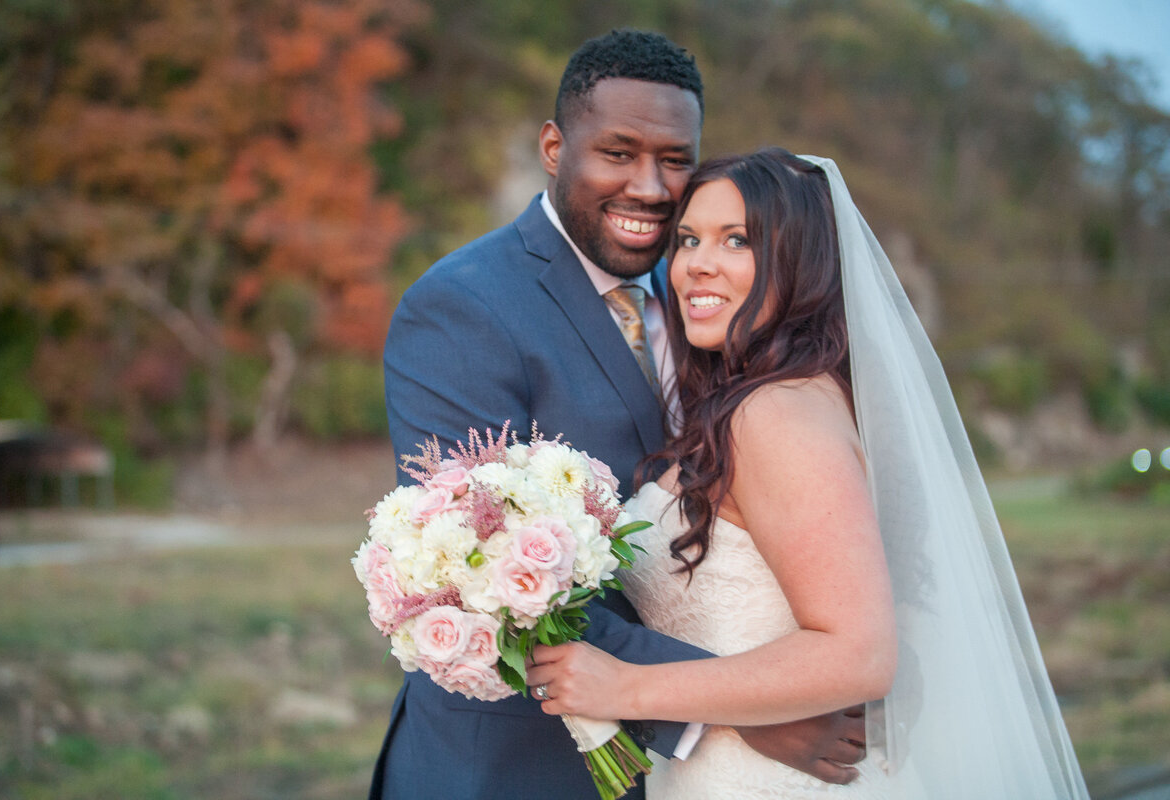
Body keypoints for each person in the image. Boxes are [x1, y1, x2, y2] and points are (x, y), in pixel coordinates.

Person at [373, 31, 867, 800]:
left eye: (675, 159)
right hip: (518, 769)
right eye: (619, 152)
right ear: (552, 145)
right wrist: (735, 709)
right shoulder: (461, 309)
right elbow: (489, 575)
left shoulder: (708, 289)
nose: (652, 187)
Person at [525, 149, 1090, 798]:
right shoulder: (768, 399)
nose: (696, 264)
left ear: (802, 264)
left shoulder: (776, 413)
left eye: (737, 240)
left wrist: (627, 685)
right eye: (687, 240)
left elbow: (859, 654)